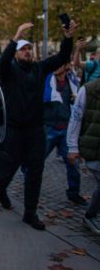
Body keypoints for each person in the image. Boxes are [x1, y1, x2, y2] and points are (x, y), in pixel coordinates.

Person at [0, 21, 77, 230]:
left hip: (35, 129)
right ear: (16, 53)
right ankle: (1, 187)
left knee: (35, 171)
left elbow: (61, 58)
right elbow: (2, 63)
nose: (27, 52)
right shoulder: (9, 71)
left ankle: (30, 212)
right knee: (9, 166)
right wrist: (16, 36)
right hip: (14, 129)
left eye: (29, 48)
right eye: (23, 49)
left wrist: (68, 38)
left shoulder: (39, 69)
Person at [43, 63, 86, 205]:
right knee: (36, 161)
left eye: (60, 63)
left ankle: (74, 193)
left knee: (72, 163)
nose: (56, 66)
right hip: (49, 127)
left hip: (66, 128)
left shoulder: (72, 82)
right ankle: (30, 188)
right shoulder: (46, 80)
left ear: (66, 66)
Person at [67, 78, 100, 235]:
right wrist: (72, 147)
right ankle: (90, 215)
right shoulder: (88, 90)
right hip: (94, 149)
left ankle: (91, 214)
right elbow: (76, 118)